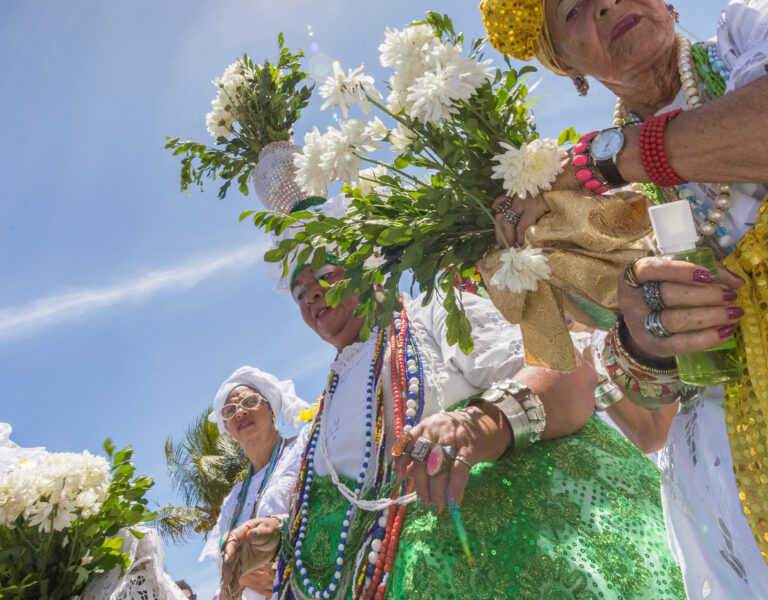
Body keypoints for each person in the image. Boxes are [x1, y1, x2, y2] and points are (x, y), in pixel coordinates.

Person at [479, 0, 768, 596]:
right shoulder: (573, 213)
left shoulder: (748, 37)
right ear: (566, 66)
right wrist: (648, 337)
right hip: (733, 466)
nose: (605, 3)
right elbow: (650, 415)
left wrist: (599, 160)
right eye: (574, 11)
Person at [219, 254, 685, 599]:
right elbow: (363, 508)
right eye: (300, 293)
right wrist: (284, 532)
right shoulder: (324, 410)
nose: (313, 295)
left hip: (530, 566)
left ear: (367, 268)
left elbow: (567, 376)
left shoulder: (428, 313)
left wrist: (478, 425)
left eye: (324, 276)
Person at [200, 366, 309, 600]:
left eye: (249, 401)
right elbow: (226, 581)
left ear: (270, 408)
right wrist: (240, 576)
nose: (240, 412)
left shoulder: (303, 449)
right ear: (228, 430)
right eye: (230, 410)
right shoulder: (233, 499)